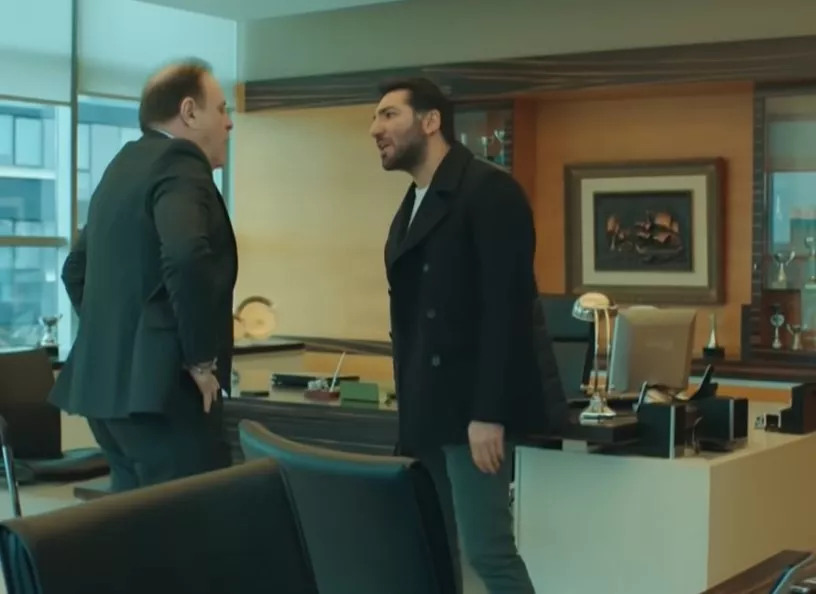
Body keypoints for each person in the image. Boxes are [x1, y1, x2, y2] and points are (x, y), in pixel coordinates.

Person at [370, 77, 567, 594]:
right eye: (376, 117)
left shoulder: (490, 192)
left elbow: (507, 312)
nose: (375, 129)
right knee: (434, 550)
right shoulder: (414, 202)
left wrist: (489, 413)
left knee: (488, 553)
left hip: (471, 413)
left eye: (389, 115)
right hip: (426, 412)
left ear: (431, 121)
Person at [50, 59, 237, 492]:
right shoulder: (181, 162)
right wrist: (200, 359)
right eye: (221, 109)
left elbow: (75, 270)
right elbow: (186, 255)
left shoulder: (123, 165)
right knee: (193, 519)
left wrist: (118, 336)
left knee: (136, 523)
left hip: (105, 396)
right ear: (189, 112)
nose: (229, 123)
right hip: (164, 395)